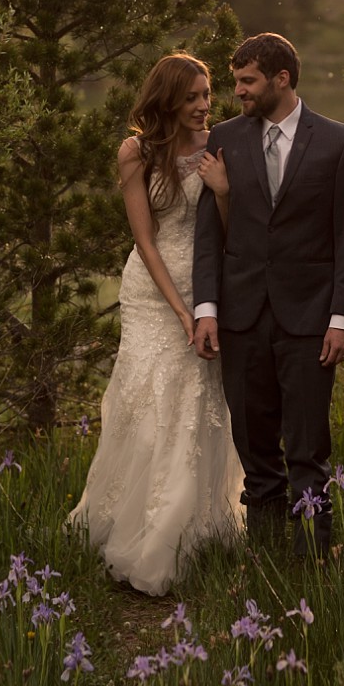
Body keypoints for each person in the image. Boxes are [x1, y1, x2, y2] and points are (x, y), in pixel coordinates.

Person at [67, 53, 243, 595]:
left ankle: (197, 534)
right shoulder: (136, 153)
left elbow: (236, 233)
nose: (203, 106)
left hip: (206, 285)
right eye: (191, 97)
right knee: (146, 399)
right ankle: (130, 527)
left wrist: (223, 191)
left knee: (199, 403)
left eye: (207, 94)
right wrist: (181, 311)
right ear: (167, 99)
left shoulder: (220, 148)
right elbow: (144, 242)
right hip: (152, 292)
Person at [193, 32, 344, 558]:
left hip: (311, 321)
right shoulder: (224, 137)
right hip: (242, 318)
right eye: (236, 81)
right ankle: (264, 566)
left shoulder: (339, 142)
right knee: (256, 452)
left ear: (282, 78)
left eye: (248, 81)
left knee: (308, 451)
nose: (238, 92)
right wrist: (207, 309)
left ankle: (309, 568)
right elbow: (208, 233)